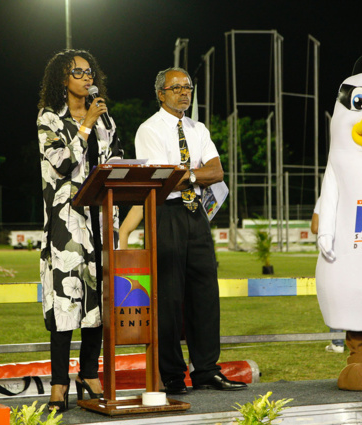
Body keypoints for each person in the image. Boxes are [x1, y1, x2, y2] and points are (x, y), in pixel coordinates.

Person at [134, 67, 247, 394]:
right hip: (165, 213)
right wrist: (196, 174)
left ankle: (207, 370)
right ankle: (171, 374)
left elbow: (218, 171)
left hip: (197, 212)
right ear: (161, 93)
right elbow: (162, 178)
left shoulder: (198, 128)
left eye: (188, 87)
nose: (184, 92)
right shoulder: (149, 129)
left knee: (205, 294)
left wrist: (190, 175)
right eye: (176, 88)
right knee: (168, 296)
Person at [37, 49, 123, 412]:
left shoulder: (107, 121)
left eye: (90, 73)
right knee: (65, 301)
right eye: (78, 73)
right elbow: (61, 164)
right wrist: (85, 122)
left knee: (98, 302)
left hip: (102, 219)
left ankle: (89, 374)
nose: (87, 78)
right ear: (62, 79)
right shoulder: (49, 119)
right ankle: (59, 384)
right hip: (67, 223)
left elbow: (117, 164)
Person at [311, 198, 344, 354]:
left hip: (332, 254)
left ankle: (338, 342)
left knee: (334, 297)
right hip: (356, 253)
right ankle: (358, 341)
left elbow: (315, 227)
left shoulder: (325, 198)